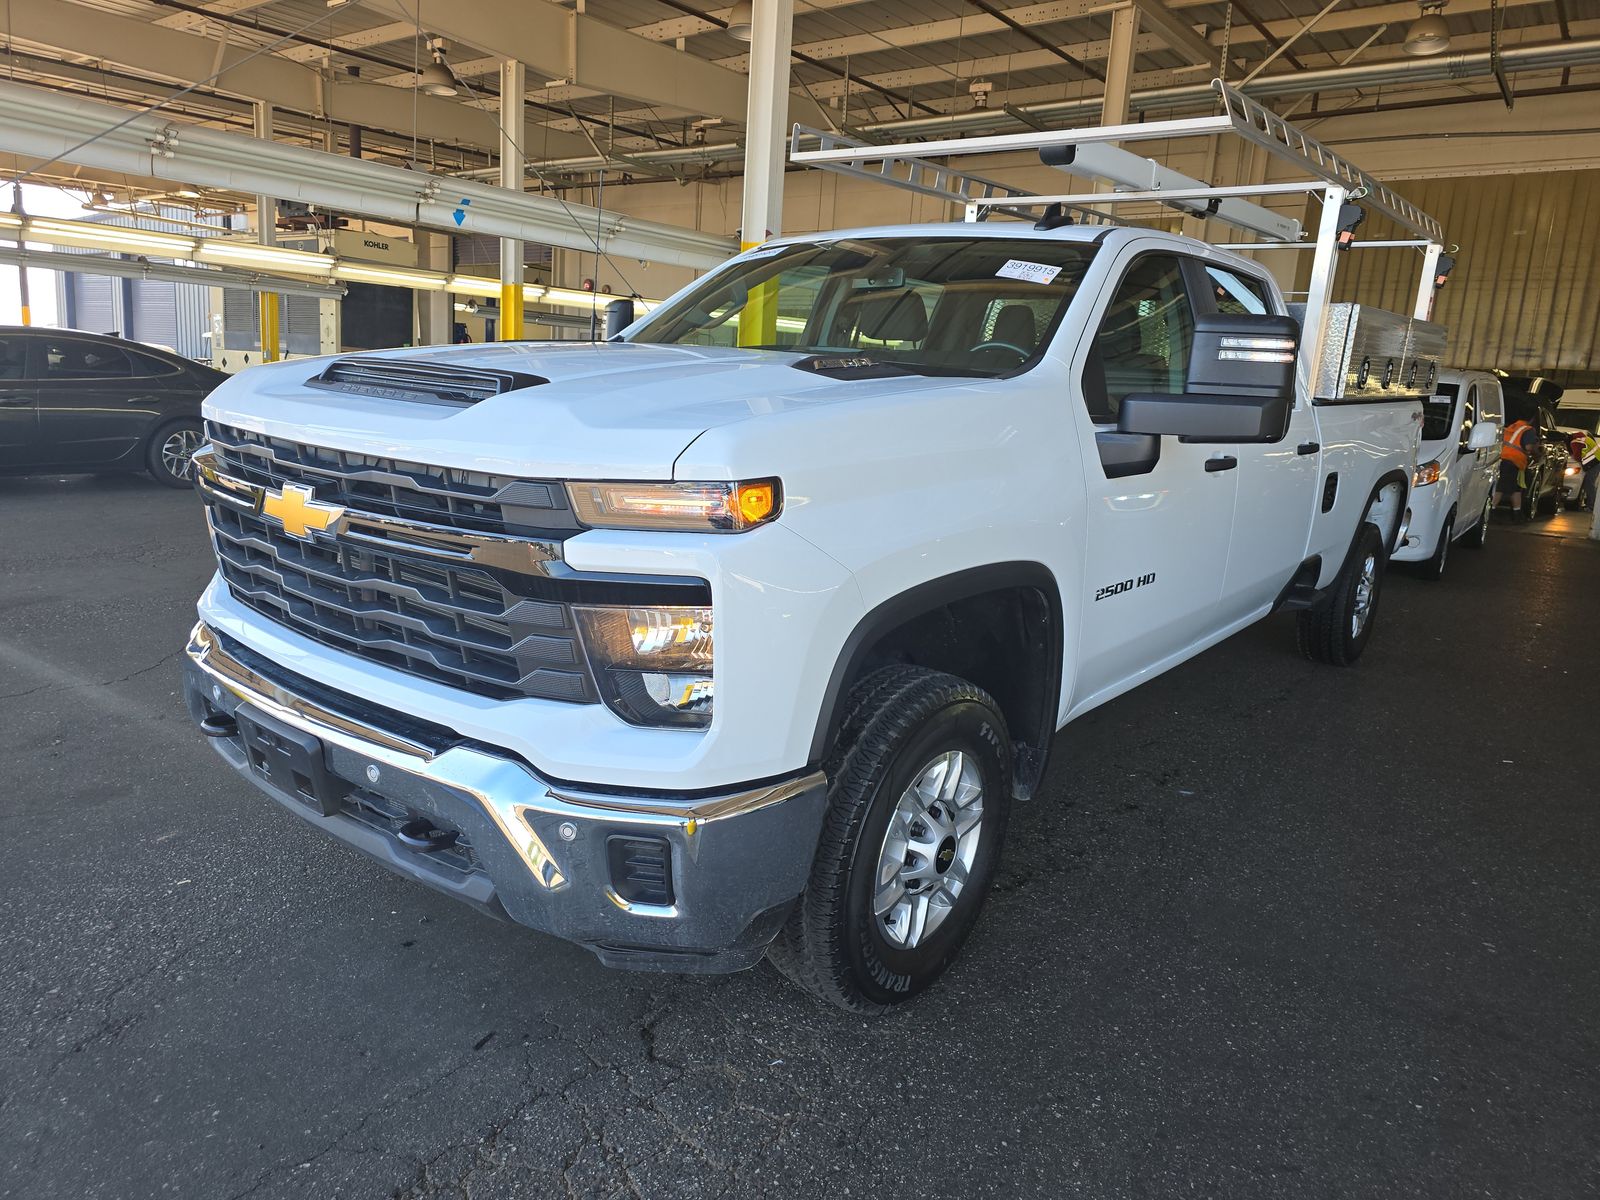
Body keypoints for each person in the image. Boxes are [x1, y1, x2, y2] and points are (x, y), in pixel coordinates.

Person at [1496, 412, 1542, 517]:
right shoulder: (1528, 429)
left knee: (1516, 489)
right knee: (1501, 488)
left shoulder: (1513, 426)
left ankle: (1517, 512)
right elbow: (1528, 447)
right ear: (1531, 419)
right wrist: (1537, 452)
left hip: (1504, 458)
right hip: (1512, 460)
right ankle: (1492, 510)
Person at [1572, 428, 1599, 511]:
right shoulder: (1587, 439)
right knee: (1589, 483)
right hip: (1596, 462)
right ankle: (1590, 504)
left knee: (1589, 484)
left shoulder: (1576, 441)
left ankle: (1592, 506)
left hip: (1594, 463)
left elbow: (1577, 456)